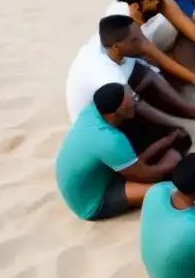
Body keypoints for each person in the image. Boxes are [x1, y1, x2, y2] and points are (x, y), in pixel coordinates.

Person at [65, 15, 195, 131]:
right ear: (116, 47)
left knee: (153, 71)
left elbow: (154, 62)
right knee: (171, 131)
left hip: (124, 93)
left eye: (140, 35)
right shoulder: (108, 75)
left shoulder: (115, 42)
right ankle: (188, 119)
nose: (141, 41)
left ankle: (193, 105)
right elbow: (133, 107)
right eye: (135, 40)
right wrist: (181, 122)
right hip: (102, 122)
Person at [55, 83, 187, 221]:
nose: (134, 102)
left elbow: (134, 163)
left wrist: (167, 140)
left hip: (94, 177)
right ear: (115, 113)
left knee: (137, 164)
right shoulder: (110, 140)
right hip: (93, 201)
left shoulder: (92, 111)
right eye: (130, 101)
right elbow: (147, 176)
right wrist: (170, 163)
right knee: (168, 191)